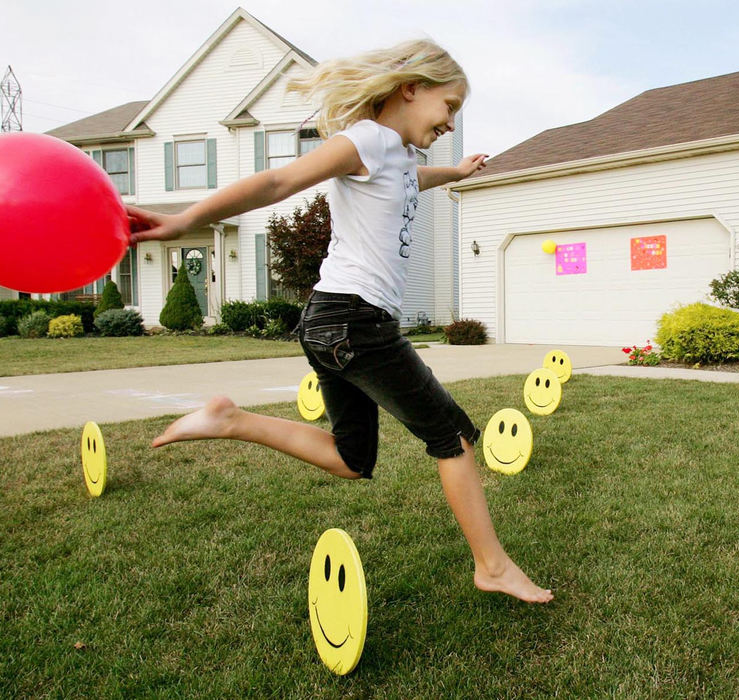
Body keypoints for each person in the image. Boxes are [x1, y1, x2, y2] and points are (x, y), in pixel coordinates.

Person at [127, 39, 553, 604]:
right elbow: (279, 183)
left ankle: (230, 419)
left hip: (333, 323)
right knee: (450, 438)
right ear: (411, 87)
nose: (450, 123)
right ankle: (492, 566)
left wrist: (456, 170)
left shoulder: (397, 156)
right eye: (448, 107)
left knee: (354, 459)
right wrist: (187, 219)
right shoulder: (367, 140)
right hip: (354, 321)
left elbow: (412, 183)